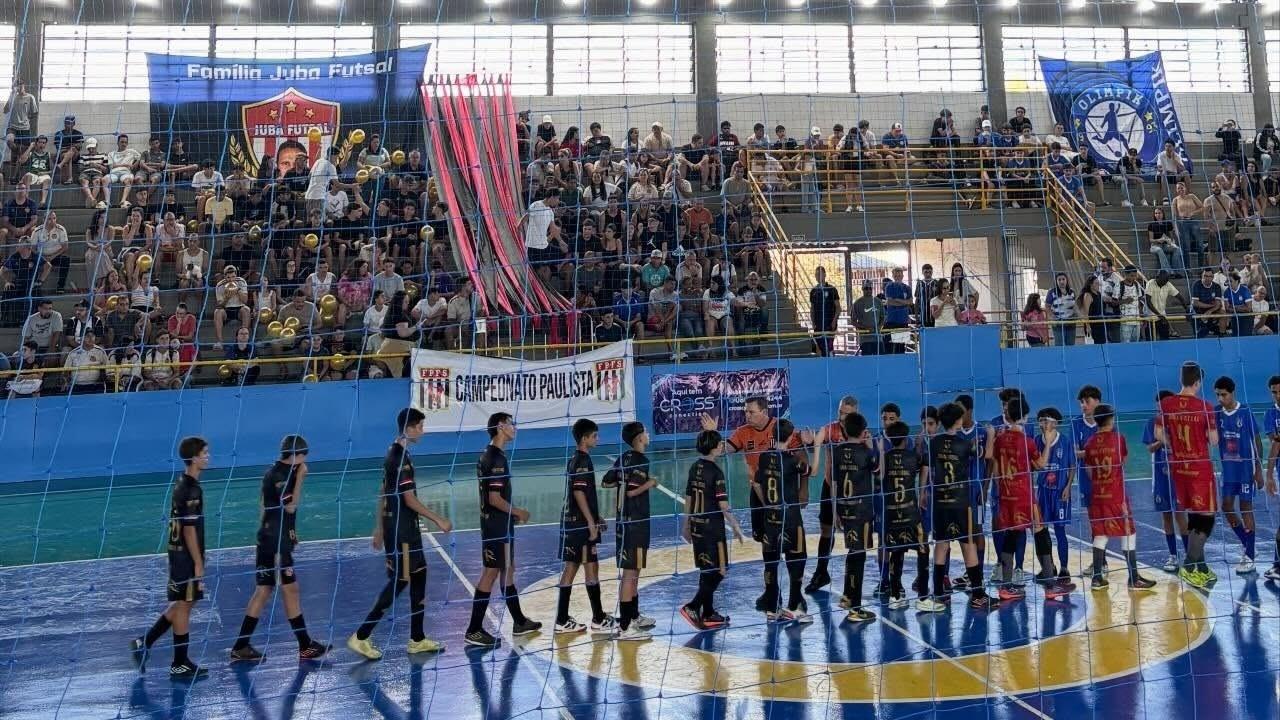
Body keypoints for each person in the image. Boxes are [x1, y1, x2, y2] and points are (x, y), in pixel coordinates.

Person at [347, 408, 453, 660]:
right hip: (403, 532)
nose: (423, 431)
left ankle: (417, 639)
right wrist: (438, 519)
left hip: (404, 530)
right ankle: (361, 636)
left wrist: (379, 527)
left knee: (419, 574)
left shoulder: (395, 452)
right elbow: (408, 498)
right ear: (410, 428)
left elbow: (384, 491)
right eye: (420, 426)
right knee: (400, 581)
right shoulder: (400, 458)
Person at [229, 435, 330, 662]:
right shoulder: (284, 476)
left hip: (269, 538)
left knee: (264, 590)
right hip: (275, 543)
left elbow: (266, 508)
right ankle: (305, 645)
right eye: (304, 455)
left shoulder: (273, 472)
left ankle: (241, 645)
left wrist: (289, 533)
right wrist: (301, 476)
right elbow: (291, 507)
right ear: (297, 455)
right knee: (289, 589)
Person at [129, 437, 211, 679]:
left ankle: (143, 643)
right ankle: (178, 662)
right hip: (185, 557)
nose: (208, 457)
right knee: (184, 605)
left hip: (176, 555)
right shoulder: (192, 489)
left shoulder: (182, 483)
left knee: (183, 603)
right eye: (204, 453)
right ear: (194, 458)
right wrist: (198, 562)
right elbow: (188, 529)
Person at [464, 413, 541, 648]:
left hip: (497, 524)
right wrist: (518, 512)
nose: (514, 427)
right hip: (496, 527)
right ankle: (474, 629)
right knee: (491, 572)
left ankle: (518, 621)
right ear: (500, 427)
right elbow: (494, 498)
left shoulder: (489, 455)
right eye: (510, 423)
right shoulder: (496, 459)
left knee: (508, 569)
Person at [992, 399, 1076, 600]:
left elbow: (995, 467)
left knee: (1011, 536)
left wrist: (1001, 488)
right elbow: (1040, 464)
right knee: (1041, 534)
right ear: (1024, 416)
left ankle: (1005, 586)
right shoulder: (1027, 441)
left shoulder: (999, 439)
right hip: (1024, 496)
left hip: (1007, 495)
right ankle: (1050, 585)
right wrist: (1047, 443)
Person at [922, 403, 994, 611]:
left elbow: (926, 466)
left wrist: (923, 491)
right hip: (960, 502)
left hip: (941, 502)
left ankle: (937, 593)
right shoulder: (964, 444)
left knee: (941, 545)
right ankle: (979, 595)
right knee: (968, 545)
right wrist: (990, 435)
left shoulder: (933, 443)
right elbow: (986, 455)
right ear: (958, 421)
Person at [1157, 363, 1220, 590]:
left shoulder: (1167, 404)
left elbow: (1158, 433)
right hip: (1200, 468)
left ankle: (1201, 567)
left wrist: (1173, 445)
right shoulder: (1205, 406)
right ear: (1198, 382)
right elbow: (1213, 441)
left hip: (1178, 468)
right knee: (1207, 517)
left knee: (1194, 515)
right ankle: (1189, 565)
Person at [1081, 405, 1156, 591]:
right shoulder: (1118, 439)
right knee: (1129, 532)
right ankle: (1134, 577)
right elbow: (1122, 461)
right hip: (1116, 495)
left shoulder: (1089, 443)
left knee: (1100, 533)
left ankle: (1097, 577)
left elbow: (1090, 473)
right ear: (1111, 419)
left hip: (1097, 496)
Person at [679, 429, 745, 631]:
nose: (723, 446)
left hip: (697, 525)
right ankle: (693, 606)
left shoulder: (694, 467)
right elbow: (723, 505)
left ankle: (708, 613)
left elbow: (689, 497)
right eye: (721, 443)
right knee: (720, 571)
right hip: (713, 529)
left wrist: (687, 524)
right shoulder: (716, 473)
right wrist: (735, 525)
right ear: (715, 447)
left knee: (706, 569)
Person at [554, 419, 614, 635]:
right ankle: (598, 619)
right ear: (584, 439)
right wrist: (590, 522)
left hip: (570, 523)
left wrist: (597, 516)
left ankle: (562, 619)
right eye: (595, 436)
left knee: (571, 568)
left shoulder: (574, 459)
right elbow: (579, 492)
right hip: (580, 525)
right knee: (591, 567)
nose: (597, 439)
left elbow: (579, 492)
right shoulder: (583, 461)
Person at [754, 419, 813, 623]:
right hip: (790, 519)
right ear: (790, 437)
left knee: (770, 564)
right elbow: (809, 470)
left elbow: (757, 484)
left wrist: (768, 504)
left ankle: (772, 609)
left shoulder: (763, 457)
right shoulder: (792, 459)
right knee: (797, 559)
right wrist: (807, 444)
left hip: (770, 520)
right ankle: (794, 607)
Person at [602, 421, 657, 640]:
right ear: (640, 437)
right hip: (636, 522)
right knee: (630, 574)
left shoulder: (622, 458)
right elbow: (633, 492)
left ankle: (633, 616)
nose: (648, 434)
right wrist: (650, 483)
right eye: (646, 431)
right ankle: (624, 627)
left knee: (633, 572)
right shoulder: (641, 460)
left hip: (623, 522)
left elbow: (607, 482)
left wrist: (622, 483)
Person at [805, 395, 859, 594]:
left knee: (853, 534)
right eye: (840, 412)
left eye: (847, 413)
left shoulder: (860, 432)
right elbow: (819, 438)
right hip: (830, 487)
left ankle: (852, 581)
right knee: (826, 530)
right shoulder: (831, 428)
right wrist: (815, 458)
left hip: (852, 491)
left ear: (856, 413)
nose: (842, 416)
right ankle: (821, 573)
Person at [829, 412, 877, 622]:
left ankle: (848, 596)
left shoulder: (837, 452)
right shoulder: (866, 454)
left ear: (844, 430)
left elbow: (834, 482)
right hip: (861, 510)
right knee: (859, 555)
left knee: (853, 551)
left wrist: (835, 510)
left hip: (844, 508)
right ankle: (855, 608)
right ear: (864, 431)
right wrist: (873, 446)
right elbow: (880, 472)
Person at [1213, 376, 1262, 575]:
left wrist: (1258, 469)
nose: (1220, 399)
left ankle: (1249, 556)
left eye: (1223, 395)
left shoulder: (1245, 412)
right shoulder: (1217, 413)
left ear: (1232, 393)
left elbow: (1257, 441)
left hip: (1245, 470)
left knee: (1245, 508)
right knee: (1226, 507)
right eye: (1217, 395)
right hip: (1228, 470)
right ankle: (1248, 544)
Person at [879, 420, 929, 609]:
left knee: (896, 552)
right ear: (906, 438)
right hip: (910, 512)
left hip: (892, 513)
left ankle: (894, 596)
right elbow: (924, 462)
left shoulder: (886, 457)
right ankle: (923, 597)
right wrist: (920, 443)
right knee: (923, 549)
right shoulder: (912, 457)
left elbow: (879, 475)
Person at [1035, 408, 1075, 580]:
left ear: (1055, 423)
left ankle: (1064, 568)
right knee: (1041, 531)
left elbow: (1072, 466)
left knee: (1060, 531)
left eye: (1046, 420)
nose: (1043, 424)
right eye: (1041, 420)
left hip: (1059, 492)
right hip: (1043, 492)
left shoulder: (1065, 441)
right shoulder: (1037, 441)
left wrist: (1068, 486)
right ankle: (1048, 566)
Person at [1262, 376, 1280, 581]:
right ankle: (1277, 564)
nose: (1277, 395)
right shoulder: (1270, 415)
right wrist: (1269, 475)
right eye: (1274, 392)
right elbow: (1275, 443)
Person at [809, 266, 840, 356]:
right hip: (818, 325)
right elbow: (812, 309)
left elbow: (838, 307)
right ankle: (822, 366)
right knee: (819, 348)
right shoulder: (813, 291)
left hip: (829, 324)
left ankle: (831, 364)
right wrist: (813, 322)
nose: (818, 276)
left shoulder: (832, 289)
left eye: (820, 274)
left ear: (825, 274)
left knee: (829, 347)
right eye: (816, 274)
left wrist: (834, 321)